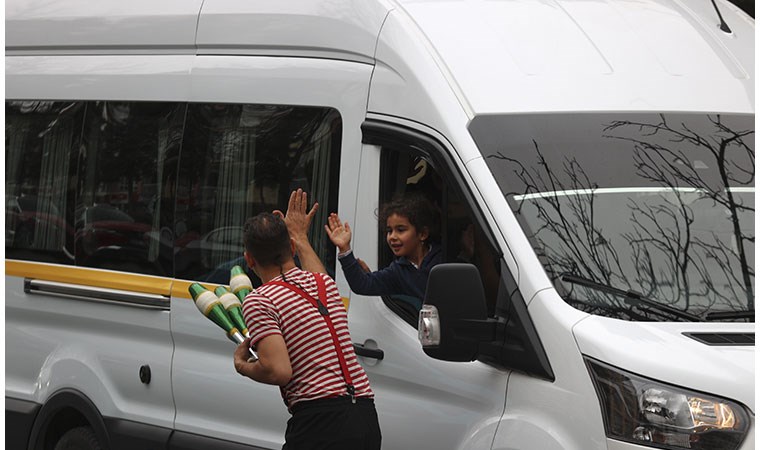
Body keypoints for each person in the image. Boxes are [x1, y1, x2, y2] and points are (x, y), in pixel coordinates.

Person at [233, 201, 381, 450]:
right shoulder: (324, 286)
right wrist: (300, 235)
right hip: (365, 416)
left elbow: (278, 371)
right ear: (291, 247)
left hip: (320, 422)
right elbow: (318, 275)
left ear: (249, 259)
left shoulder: (260, 300)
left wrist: (243, 365)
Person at [324, 191, 443, 311]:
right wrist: (345, 249)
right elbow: (362, 285)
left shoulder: (442, 259)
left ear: (422, 234)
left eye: (401, 230)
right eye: (389, 231)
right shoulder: (397, 271)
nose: (392, 237)